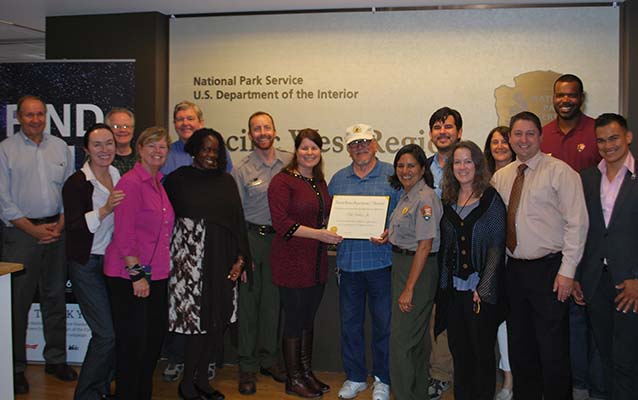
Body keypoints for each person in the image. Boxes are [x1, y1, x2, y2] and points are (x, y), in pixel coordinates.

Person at [492, 111, 588, 400]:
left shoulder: (561, 172)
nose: (523, 140)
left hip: (550, 272)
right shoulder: (501, 177)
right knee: (521, 347)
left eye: (530, 133)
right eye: (518, 134)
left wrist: (567, 271)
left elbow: (578, 223)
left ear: (540, 136)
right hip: (514, 272)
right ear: (510, 138)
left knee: (553, 350)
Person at [164, 128, 251, 400]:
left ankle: (203, 380)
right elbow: (163, 221)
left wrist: (241, 260)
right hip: (188, 264)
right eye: (205, 149)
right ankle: (187, 383)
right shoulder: (177, 180)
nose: (210, 155)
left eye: (215, 150)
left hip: (222, 261)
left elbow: (237, 222)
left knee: (216, 323)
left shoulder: (226, 181)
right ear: (194, 150)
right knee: (194, 326)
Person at [0, 95, 76, 394]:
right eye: (29, 115)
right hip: (21, 234)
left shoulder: (59, 147)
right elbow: (3, 201)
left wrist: (59, 223)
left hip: (57, 230)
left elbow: (70, 189)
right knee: (17, 304)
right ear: (19, 117)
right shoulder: (5, 150)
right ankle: (16, 367)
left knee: (55, 297)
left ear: (46, 116)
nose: (35, 120)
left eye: (40, 114)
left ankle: (55, 360)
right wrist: (33, 230)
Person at [541, 73, 605, 399]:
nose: (565, 100)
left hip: (590, 240)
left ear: (581, 98)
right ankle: (569, 383)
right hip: (551, 243)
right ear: (553, 98)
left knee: (586, 316)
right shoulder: (542, 135)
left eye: (572, 95)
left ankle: (587, 386)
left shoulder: (596, 132)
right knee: (560, 318)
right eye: (560, 95)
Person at [268, 128, 343, 398]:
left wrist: (333, 228)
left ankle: (306, 372)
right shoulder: (282, 181)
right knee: (294, 320)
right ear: (296, 151)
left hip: (315, 262)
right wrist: (320, 234)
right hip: (291, 261)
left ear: (320, 151)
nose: (309, 152)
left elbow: (325, 216)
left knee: (308, 320)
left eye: (314, 148)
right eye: (304, 147)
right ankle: (293, 378)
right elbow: (282, 224)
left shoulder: (319, 182)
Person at [161, 100, 232, 383]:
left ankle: (208, 360)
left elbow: (228, 201)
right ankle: (178, 358)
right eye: (179, 119)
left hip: (213, 243)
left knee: (210, 304)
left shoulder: (218, 155)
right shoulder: (166, 155)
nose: (185, 123)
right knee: (180, 304)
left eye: (190, 118)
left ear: (200, 122)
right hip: (180, 244)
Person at [104, 126, 175, 400]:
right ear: (140, 149)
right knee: (133, 346)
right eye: (152, 145)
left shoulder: (159, 182)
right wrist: (137, 276)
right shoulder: (130, 183)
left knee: (152, 343)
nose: (158, 151)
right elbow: (124, 235)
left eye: (163, 147)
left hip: (156, 275)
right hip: (129, 277)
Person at [328, 123, 397, 400]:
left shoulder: (393, 174)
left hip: (382, 263)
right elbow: (330, 218)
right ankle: (355, 377)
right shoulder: (338, 179)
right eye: (355, 143)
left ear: (375, 144)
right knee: (350, 325)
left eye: (365, 141)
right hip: (348, 265)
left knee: (384, 325)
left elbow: (405, 213)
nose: (361, 147)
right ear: (348, 149)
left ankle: (382, 378)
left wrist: (390, 232)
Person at [436, 141, 506, 400]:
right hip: (454, 290)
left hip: (480, 291)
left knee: (482, 353)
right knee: (460, 350)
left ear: (478, 165)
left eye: (468, 161)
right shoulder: (448, 200)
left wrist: (484, 287)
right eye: (457, 162)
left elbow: (496, 246)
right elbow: (445, 247)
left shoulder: (490, 198)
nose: (462, 167)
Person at [575, 113, 638, 399]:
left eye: (613, 138)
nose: (607, 145)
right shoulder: (587, 178)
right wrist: (577, 276)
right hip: (595, 281)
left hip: (630, 284)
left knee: (627, 359)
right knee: (606, 355)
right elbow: (579, 230)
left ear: (628, 137)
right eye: (601, 140)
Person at [63, 123, 125, 400]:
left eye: (109, 143)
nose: (104, 150)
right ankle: (86, 394)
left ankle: (101, 389)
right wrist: (104, 210)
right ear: (86, 149)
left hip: (113, 263)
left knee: (115, 332)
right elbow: (74, 226)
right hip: (86, 264)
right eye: (97, 144)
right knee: (105, 335)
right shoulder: (76, 183)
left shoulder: (116, 173)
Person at [232, 111, 290, 395]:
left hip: (281, 242)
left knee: (272, 304)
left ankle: (269, 359)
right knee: (249, 305)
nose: (262, 132)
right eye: (257, 128)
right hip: (252, 240)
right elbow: (235, 216)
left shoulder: (289, 162)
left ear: (275, 130)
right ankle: (247, 365)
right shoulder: (241, 169)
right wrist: (241, 255)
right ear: (250, 134)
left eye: (267, 127)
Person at [383, 144, 441, 400]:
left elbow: (425, 245)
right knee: (415, 342)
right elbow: (409, 231)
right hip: (404, 266)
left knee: (401, 343)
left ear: (422, 168)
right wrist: (389, 235)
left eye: (411, 165)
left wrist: (409, 289)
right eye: (400, 165)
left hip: (417, 271)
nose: (405, 171)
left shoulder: (425, 198)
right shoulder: (408, 195)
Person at [425, 107, 462, 399]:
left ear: (459, 132)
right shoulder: (422, 168)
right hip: (427, 252)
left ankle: (447, 372)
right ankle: (437, 371)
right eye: (437, 127)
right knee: (431, 314)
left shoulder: (469, 165)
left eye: (448, 126)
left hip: (459, 253)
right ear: (430, 134)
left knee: (453, 315)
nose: (443, 132)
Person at [483, 126, 515, 400]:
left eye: (505, 141)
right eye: (495, 142)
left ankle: (509, 380)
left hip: (512, 261)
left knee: (506, 323)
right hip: (484, 262)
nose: (500, 146)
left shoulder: (521, 173)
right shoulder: (481, 178)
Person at [105, 107, 136, 175]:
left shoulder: (142, 158)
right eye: (116, 126)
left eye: (126, 126)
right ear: (107, 130)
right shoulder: (101, 158)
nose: (122, 130)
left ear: (133, 129)